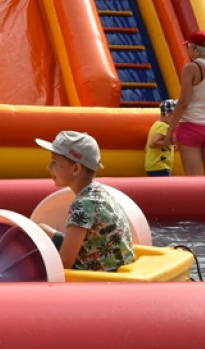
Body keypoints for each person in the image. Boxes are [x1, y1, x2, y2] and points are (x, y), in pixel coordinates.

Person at [35, 131, 135, 272]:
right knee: (41, 230)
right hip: (112, 262)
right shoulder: (99, 192)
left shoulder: (82, 205)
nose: (49, 167)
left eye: (54, 162)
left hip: (100, 276)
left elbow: (64, 264)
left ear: (75, 168)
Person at [167, 30, 205, 176]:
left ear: (194, 48)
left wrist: (170, 130)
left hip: (192, 125)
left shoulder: (191, 69)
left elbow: (183, 102)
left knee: (193, 177)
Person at [144, 99, 176, 176]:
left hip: (154, 166)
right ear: (168, 114)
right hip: (160, 166)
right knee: (167, 187)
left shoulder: (156, 125)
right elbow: (153, 143)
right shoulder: (164, 126)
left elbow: (146, 148)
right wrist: (167, 143)